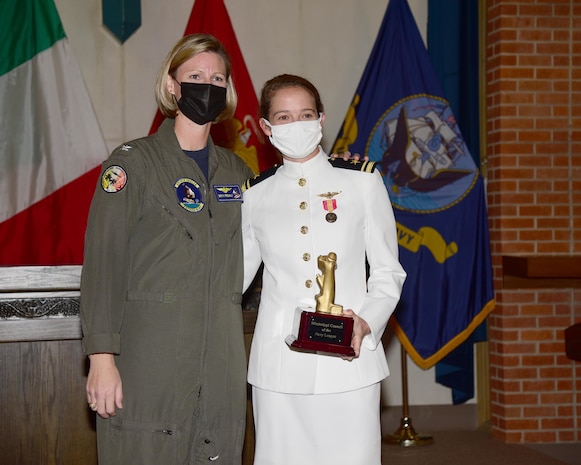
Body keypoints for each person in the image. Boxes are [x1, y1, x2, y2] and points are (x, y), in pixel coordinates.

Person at [80, 34, 255, 465]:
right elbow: (103, 264)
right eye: (195, 76)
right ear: (173, 85)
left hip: (221, 360)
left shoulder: (237, 171)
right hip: (149, 356)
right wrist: (100, 359)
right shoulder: (131, 164)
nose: (207, 85)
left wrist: (333, 177)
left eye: (217, 78)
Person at [241, 74, 407, 465]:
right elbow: (233, 281)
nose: (295, 124)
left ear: (321, 119)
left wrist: (366, 323)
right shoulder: (255, 194)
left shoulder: (362, 182)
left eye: (305, 114)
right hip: (279, 365)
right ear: (265, 128)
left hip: (349, 359)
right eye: (282, 117)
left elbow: (388, 272)